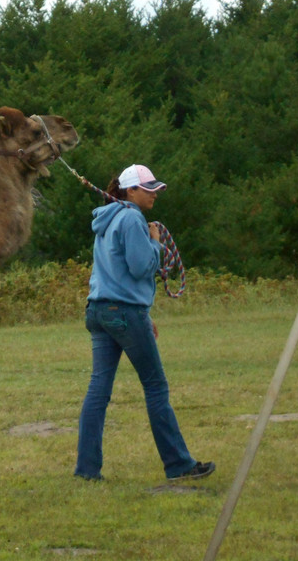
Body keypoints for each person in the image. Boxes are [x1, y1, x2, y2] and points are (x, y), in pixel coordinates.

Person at [75, 164, 213, 482]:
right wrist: (156, 242)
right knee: (155, 387)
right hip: (124, 312)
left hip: (99, 310)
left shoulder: (107, 218)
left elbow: (119, 272)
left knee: (98, 391)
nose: (154, 194)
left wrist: (143, 315)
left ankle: (87, 471)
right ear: (131, 190)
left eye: (155, 188)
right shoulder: (133, 218)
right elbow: (140, 268)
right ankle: (179, 465)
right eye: (149, 188)